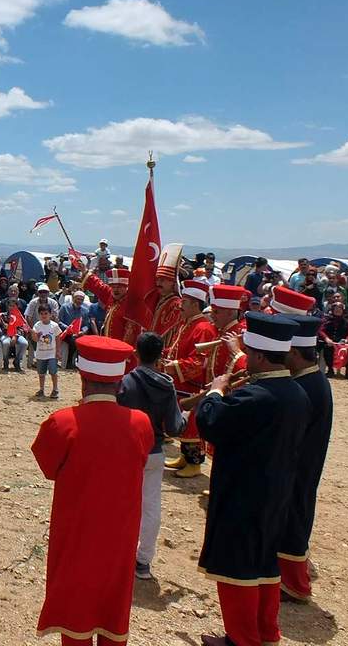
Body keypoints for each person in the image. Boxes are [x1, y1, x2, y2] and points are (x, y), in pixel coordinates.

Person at [196, 313, 309, 646]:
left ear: (259, 356)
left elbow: (211, 423)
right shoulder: (296, 393)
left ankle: (242, 639)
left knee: (237, 570)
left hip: (243, 496)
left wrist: (215, 393)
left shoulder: (256, 397)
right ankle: (265, 632)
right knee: (265, 567)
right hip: (276, 495)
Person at [32, 335, 153, 645]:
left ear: (82, 379)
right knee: (114, 602)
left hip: (77, 532)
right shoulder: (140, 423)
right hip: (120, 534)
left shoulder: (62, 423)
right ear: (119, 382)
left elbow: (48, 467)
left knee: (75, 607)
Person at [117, 332, 185, 580]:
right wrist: (188, 412)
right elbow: (175, 427)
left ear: (136, 353)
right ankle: (143, 562)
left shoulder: (124, 383)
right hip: (155, 451)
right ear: (160, 356)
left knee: (123, 505)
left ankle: (120, 554)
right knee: (151, 509)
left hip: (128, 452)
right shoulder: (167, 385)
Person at [277, 315, 333, 603]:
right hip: (302, 462)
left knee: (293, 518)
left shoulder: (307, 386)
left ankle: (295, 583)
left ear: (295, 353)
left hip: (299, 465)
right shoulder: (311, 378)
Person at [161, 279, 217, 478]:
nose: (180, 305)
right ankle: (185, 457)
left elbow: (199, 361)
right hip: (179, 381)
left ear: (194, 304)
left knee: (191, 422)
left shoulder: (203, 328)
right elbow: (177, 348)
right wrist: (164, 353)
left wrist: (174, 365)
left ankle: (194, 463)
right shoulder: (187, 324)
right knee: (182, 420)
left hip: (192, 384)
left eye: (184, 302)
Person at [82, 267, 134, 344]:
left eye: (119, 287)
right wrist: (84, 270)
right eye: (113, 287)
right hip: (108, 344)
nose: (116, 290)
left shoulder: (131, 303)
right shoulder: (111, 295)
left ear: (126, 287)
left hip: (122, 348)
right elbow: (98, 286)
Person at [151, 246, 183, 343]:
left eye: (163, 280)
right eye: (158, 279)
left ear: (173, 283)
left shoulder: (176, 303)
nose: (159, 283)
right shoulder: (159, 299)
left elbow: (169, 332)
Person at [31, 305, 63, 399]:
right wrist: (35, 335)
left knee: (53, 371)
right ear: (39, 315)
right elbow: (35, 340)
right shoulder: (37, 325)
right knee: (41, 373)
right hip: (41, 354)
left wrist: (58, 351)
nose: (44, 315)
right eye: (42, 314)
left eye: (46, 313)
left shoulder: (54, 326)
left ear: (50, 314)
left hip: (51, 353)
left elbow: (58, 338)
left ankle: (55, 389)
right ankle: (41, 389)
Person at [320, 301, 348, 378]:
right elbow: (321, 331)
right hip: (330, 342)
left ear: (343, 310)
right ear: (332, 310)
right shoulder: (326, 320)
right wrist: (327, 339)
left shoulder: (346, 321)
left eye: (340, 308)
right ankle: (330, 370)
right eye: (336, 308)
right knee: (328, 349)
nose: (338, 310)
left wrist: (346, 340)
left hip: (342, 343)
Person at [57, 291, 90, 369]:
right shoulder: (64, 307)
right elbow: (59, 321)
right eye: (77, 299)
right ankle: (69, 362)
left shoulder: (85, 311)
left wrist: (83, 331)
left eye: (81, 300)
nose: (79, 301)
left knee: (84, 342)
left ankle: (81, 364)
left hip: (79, 333)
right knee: (73, 341)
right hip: (65, 333)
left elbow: (86, 325)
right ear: (73, 298)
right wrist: (69, 329)